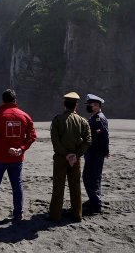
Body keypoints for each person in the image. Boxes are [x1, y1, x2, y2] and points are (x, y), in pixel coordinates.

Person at [0, 89, 37, 220]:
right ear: (15, 100)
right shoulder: (25, 116)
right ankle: (18, 213)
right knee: (17, 185)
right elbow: (32, 136)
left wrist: (7, 148)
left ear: (3, 100)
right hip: (17, 158)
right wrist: (21, 148)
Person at [49, 92, 91, 222]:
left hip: (61, 158)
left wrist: (66, 154)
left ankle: (55, 216)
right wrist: (76, 155)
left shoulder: (57, 120)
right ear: (76, 105)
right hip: (75, 159)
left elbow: (55, 141)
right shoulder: (83, 121)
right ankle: (77, 214)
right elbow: (88, 140)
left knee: (58, 187)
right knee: (75, 187)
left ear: (64, 104)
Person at [83, 94, 109, 215]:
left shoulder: (99, 118)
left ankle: (96, 205)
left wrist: (105, 151)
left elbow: (104, 136)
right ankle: (92, 200)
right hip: (91, 152)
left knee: (92, 178)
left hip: (96, 153)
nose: (89, 107)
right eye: (89, 105)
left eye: (91, 105)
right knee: (88, 177)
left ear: (97, 106)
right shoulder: (94, 117)